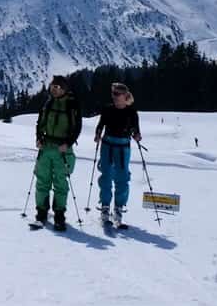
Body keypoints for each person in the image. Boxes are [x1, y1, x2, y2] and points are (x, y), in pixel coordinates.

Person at [33, 75, 82, 231]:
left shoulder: (71, 105)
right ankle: (41, 213)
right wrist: (39, 138)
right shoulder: (48, 103)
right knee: (42, 180)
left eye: (56, 87)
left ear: (64, 89)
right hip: (47, 146)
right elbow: (40, 123)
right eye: (52, 87)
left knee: (60, 182)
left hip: (62, 148)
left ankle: (59, 214)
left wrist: (68, 143)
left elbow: (77, 127)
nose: (53, 90)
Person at [93, 82, 142, 226]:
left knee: (122, 177)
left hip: (122, 146)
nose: (114, 96)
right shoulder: (107, 109)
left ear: (125, 96)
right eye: (113, 93)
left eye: (117, 94)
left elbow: (135, 129)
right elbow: (101, 124)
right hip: (108, 144)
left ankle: (119, 208)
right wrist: (97, 134)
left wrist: (137, 135)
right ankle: (105, 207)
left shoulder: (132, 112)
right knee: (106, 175)